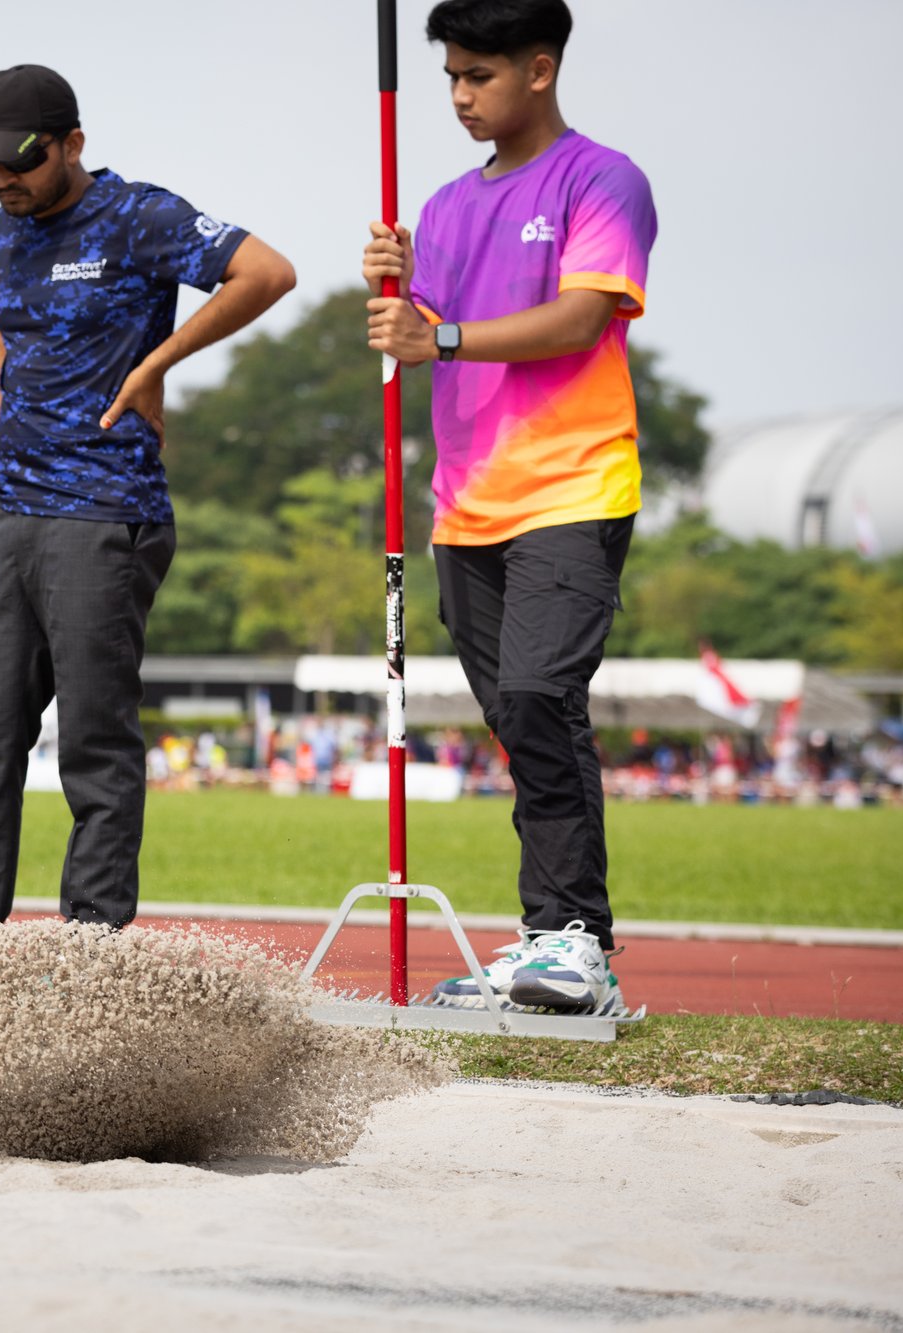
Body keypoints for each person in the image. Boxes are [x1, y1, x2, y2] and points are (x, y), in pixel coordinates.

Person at [0, 64, 296, 932]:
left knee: (95, 750)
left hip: (106, 513)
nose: (3, 182)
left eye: (20, 163)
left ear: (72, 144)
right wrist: (6, 391)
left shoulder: (139, 215)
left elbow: (267, 273)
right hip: (12, 512)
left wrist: (154, 366)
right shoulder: (7, 222)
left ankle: (92, 958)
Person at [363, 0, 654, 1015]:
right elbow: (429, 326)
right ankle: (548, 940)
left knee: (538, 696)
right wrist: (400, 298)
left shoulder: (600, 178)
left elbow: (579, 317)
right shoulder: (441, 206)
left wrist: (434, 340)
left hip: (573, 485)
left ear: (538, 68)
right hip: (465, 505)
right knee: (515, 721)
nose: (455, 95)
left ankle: (574, 940)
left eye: (476, 75)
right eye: (446, 75)